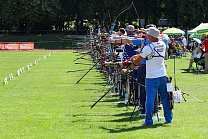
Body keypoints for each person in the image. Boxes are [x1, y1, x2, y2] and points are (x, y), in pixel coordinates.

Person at [121, 27, 173, 125]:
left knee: (150, 99)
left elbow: (137, 62)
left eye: (148, 35)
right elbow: (163, 39)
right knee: (165, 98)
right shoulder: (162, 44)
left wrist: (127, 69)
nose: (147, 36)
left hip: (152, 77)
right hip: (162, 76)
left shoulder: (147, 48)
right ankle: (169, 119)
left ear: (152, 36)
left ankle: (149, 120)